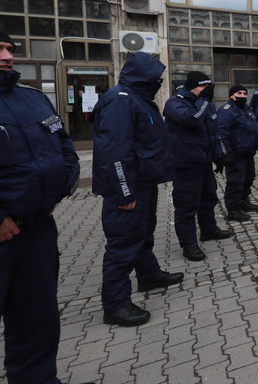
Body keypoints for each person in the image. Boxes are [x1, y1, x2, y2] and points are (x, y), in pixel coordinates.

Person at [0, 24, 80, 382]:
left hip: (36, 232)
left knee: (37, 320)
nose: (6, 55)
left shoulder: (33, 98)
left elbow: (64, 148)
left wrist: (57, 193)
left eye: (9, 48)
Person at [91, 50, 184, 326]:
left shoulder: (139, 100)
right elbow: (114, 153)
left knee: (142, 235)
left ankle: (149, 276)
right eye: (156, 76)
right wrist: (124, 192)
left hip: (144, 183)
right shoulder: (120, 102)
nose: (159, 80)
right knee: (122, 245)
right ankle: (116, 305)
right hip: (128, 189)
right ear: (143, 76)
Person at [164, 72, 232, 262]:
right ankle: (189, 244)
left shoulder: (207, 105)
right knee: (186, 206)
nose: (207, 91)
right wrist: (203, 100)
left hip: (203, 162)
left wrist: (219, 156)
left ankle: (208, 230)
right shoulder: (175, 103)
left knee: (208, 198)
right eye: (203, 87)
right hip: (185, 163)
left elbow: (214, 131)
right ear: (192, 86)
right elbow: (191, 120)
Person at [216, 84, 258, 222]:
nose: (242, 96)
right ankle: (233, 209)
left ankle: (243, 201)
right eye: (239, 93)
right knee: (235, 182)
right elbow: (221, 134)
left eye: (244, 94)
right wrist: (225, 154)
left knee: (248, 179)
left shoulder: (247, 110)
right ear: (231, 95)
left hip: (248, 153)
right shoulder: (226, 111)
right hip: (235, 154)